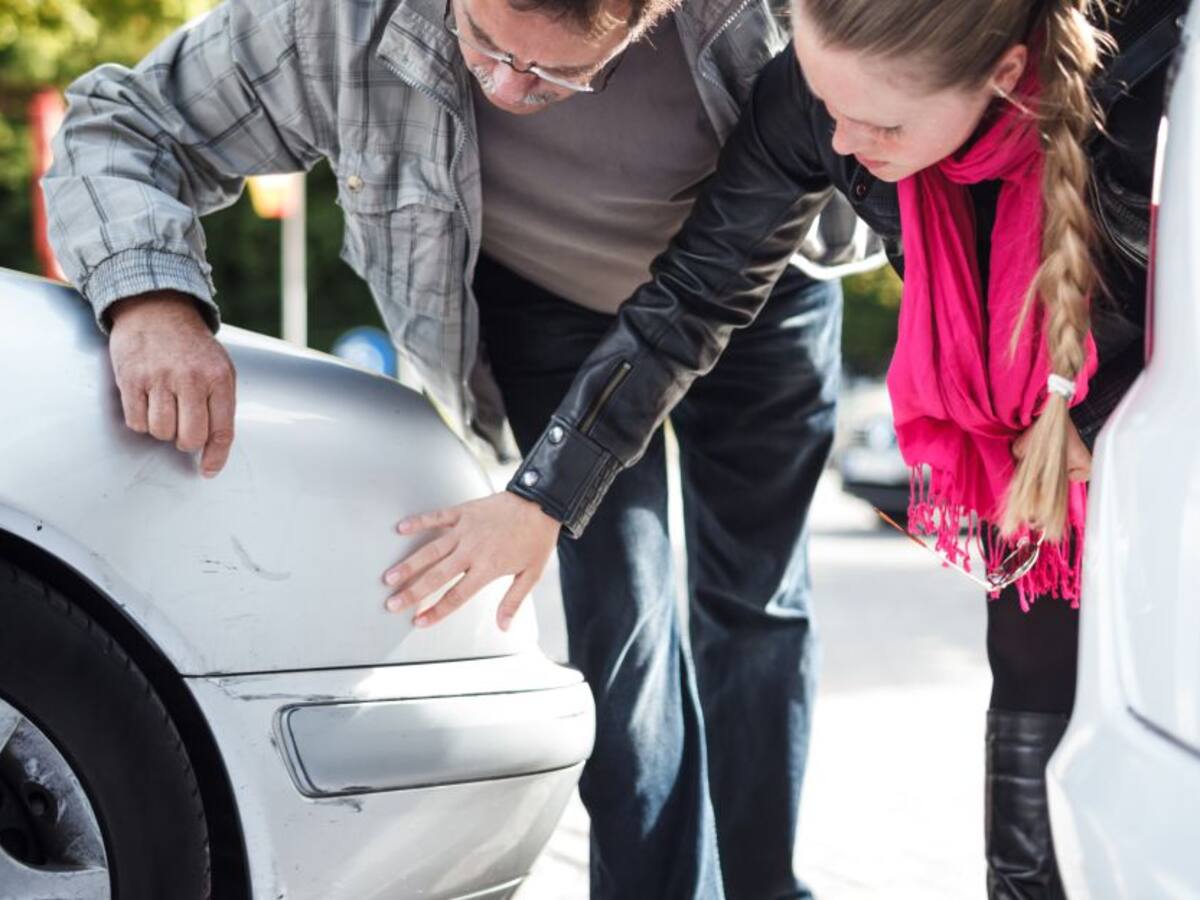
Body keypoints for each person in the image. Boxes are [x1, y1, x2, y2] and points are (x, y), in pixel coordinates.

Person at [42, 0, 861, 896]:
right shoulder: (339, 21)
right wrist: (150, 297)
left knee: (756, 604)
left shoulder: (747, 17)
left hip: (757, 291)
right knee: (622, 620)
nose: (509, 88)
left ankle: (764, 883)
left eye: (554, 72)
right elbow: (120, 123)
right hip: (553, 311)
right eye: (485, 46)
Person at [391, 0, 1183, 894]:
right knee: (1032, 661)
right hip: (1025, 453)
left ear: (1002, 78)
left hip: (1157, 430)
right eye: (824, 100)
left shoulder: (1160, 83)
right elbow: (692, 298)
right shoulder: (816, 101)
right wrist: (542, 494)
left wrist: (1098, 411)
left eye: (878, 123)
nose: (841, 145)